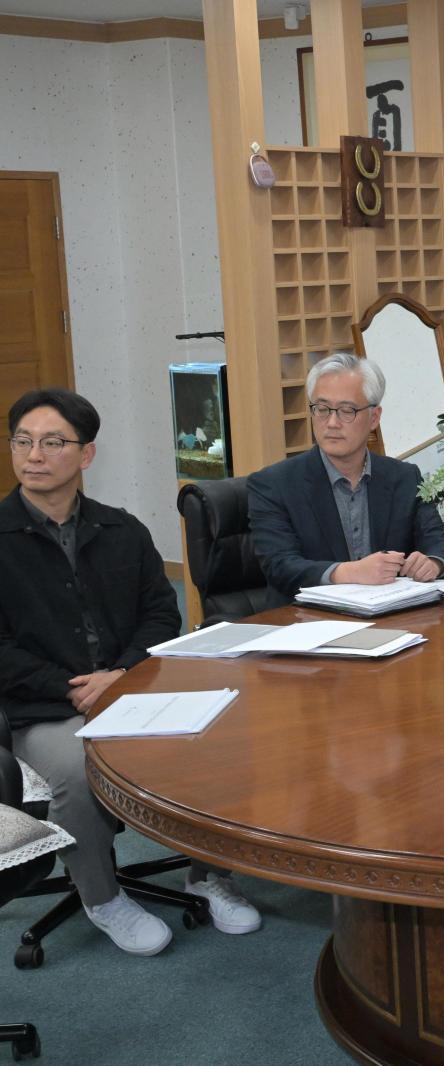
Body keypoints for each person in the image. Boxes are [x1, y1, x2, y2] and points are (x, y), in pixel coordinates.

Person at [0, 388, 260, 955]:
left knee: (212, 737)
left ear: (86, 454)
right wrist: (74, 689)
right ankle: (102, 896)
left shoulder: (122, 530)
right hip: (42, 708)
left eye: (52, 443)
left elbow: (160, 615)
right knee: (75, 769)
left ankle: (208, 876)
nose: (33, 456)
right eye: (22, 441)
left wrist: (121, 674)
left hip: (130, 687)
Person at [248, 352, 444, 604]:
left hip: (390, 619)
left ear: (374, 417)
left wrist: (433, 564)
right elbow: (280, 566)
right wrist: (351, 572)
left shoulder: (404, 477)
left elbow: (443, 547)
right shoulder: (273, 485)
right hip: (307, 624)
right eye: (322, 409)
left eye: (347, 410)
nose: (332, 423)